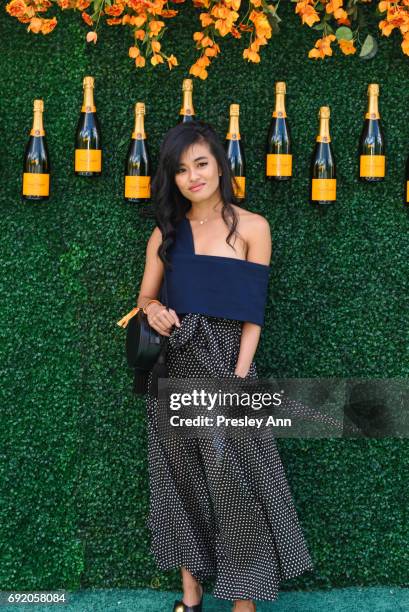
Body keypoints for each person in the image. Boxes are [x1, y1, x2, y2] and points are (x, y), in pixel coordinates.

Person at [135, 120, 314, 612]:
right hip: (172, 369)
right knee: (179, 482)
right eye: (181, 169)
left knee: (235, 485)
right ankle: (190, 595)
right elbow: (145, 297)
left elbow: (254, 314)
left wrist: (239, 377)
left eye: (201, 164)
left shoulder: (254, 227)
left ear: (220, 165)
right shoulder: (166, 232)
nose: (193, 176)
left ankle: (245, 600)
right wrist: (153, 309)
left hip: (228, 367)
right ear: (172, 179)